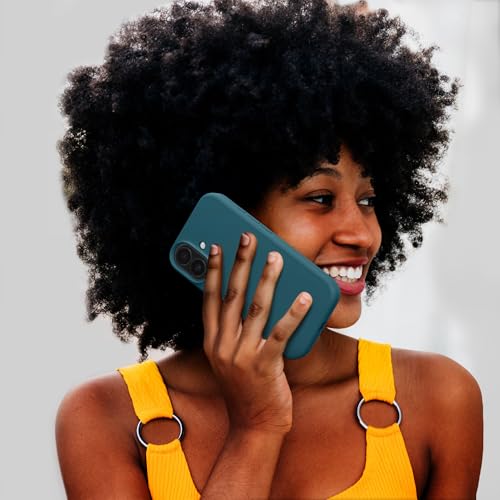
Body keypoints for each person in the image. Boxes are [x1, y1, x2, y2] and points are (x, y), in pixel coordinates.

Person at [55, 0, 483, 498]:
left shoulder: (436, 398)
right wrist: (256, 426)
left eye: (368, 200)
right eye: (320, 198)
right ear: (224, 218)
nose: (363, 235)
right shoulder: (105, 417)